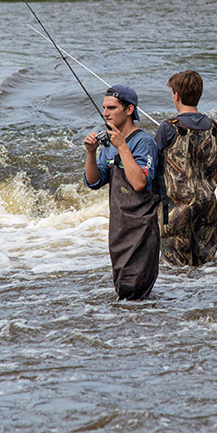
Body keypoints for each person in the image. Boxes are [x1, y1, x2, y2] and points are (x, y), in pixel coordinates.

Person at [84, 85, 160, 300]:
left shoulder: (144, 142)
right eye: (104, 108)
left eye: (111, 108)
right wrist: (91, 153)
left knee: (134, 289)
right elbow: (94, 181)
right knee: (124, 290)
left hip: (141, 226)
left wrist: (123, 147)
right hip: (119, 226)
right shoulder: (109, 144)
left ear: (129, 110)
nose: (105, 113)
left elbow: (139, 183)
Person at [154, 70, 217, 266]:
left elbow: (154, 171)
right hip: (207, 206)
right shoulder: (215, 128)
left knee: (177, 270)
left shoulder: (167, 128)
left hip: (175, 210)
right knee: (206, 268)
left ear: (176, 95)